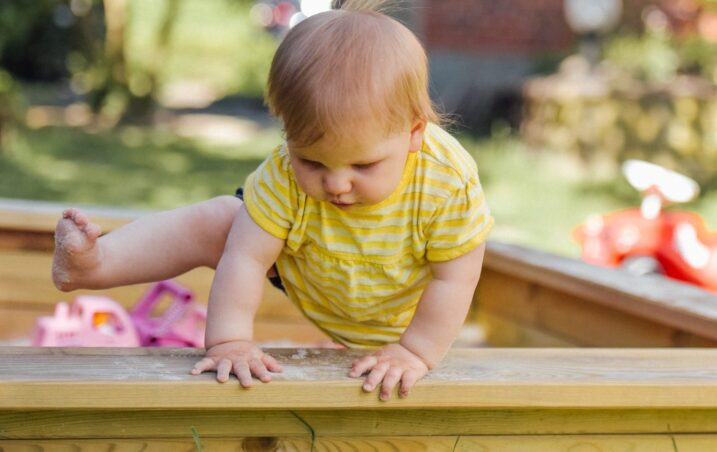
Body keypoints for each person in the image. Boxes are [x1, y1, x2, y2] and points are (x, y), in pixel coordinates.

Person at [50, 0, 493, 401]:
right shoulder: (283, 173)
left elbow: (454, 278)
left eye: (362, 166)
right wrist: (229, 341)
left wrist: (414, 351)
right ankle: (97, 261)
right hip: (313, 268)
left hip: (404, 306)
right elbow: (244, 258)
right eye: (313, 162)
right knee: (223, 220)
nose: (336, 184)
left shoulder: (446, 182)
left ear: (414, 133)